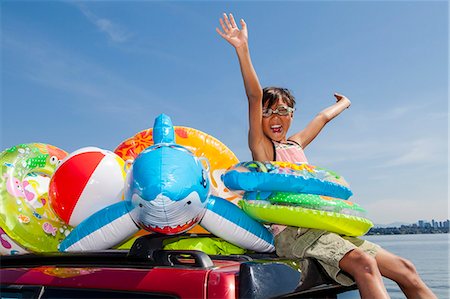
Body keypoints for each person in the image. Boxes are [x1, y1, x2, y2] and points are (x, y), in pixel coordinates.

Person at [216, 12, 437, 299]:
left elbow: (321, 118)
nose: (275, 117)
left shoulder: (295, 145)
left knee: (406, 269)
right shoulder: (264, 149)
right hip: (293, 232)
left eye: (283, 110)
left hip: (323, 227)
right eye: (268, 112)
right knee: (365, 264)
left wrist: (344, 103)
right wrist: (242, 49)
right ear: (260, 119)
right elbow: (254, 97)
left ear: (292, 115)